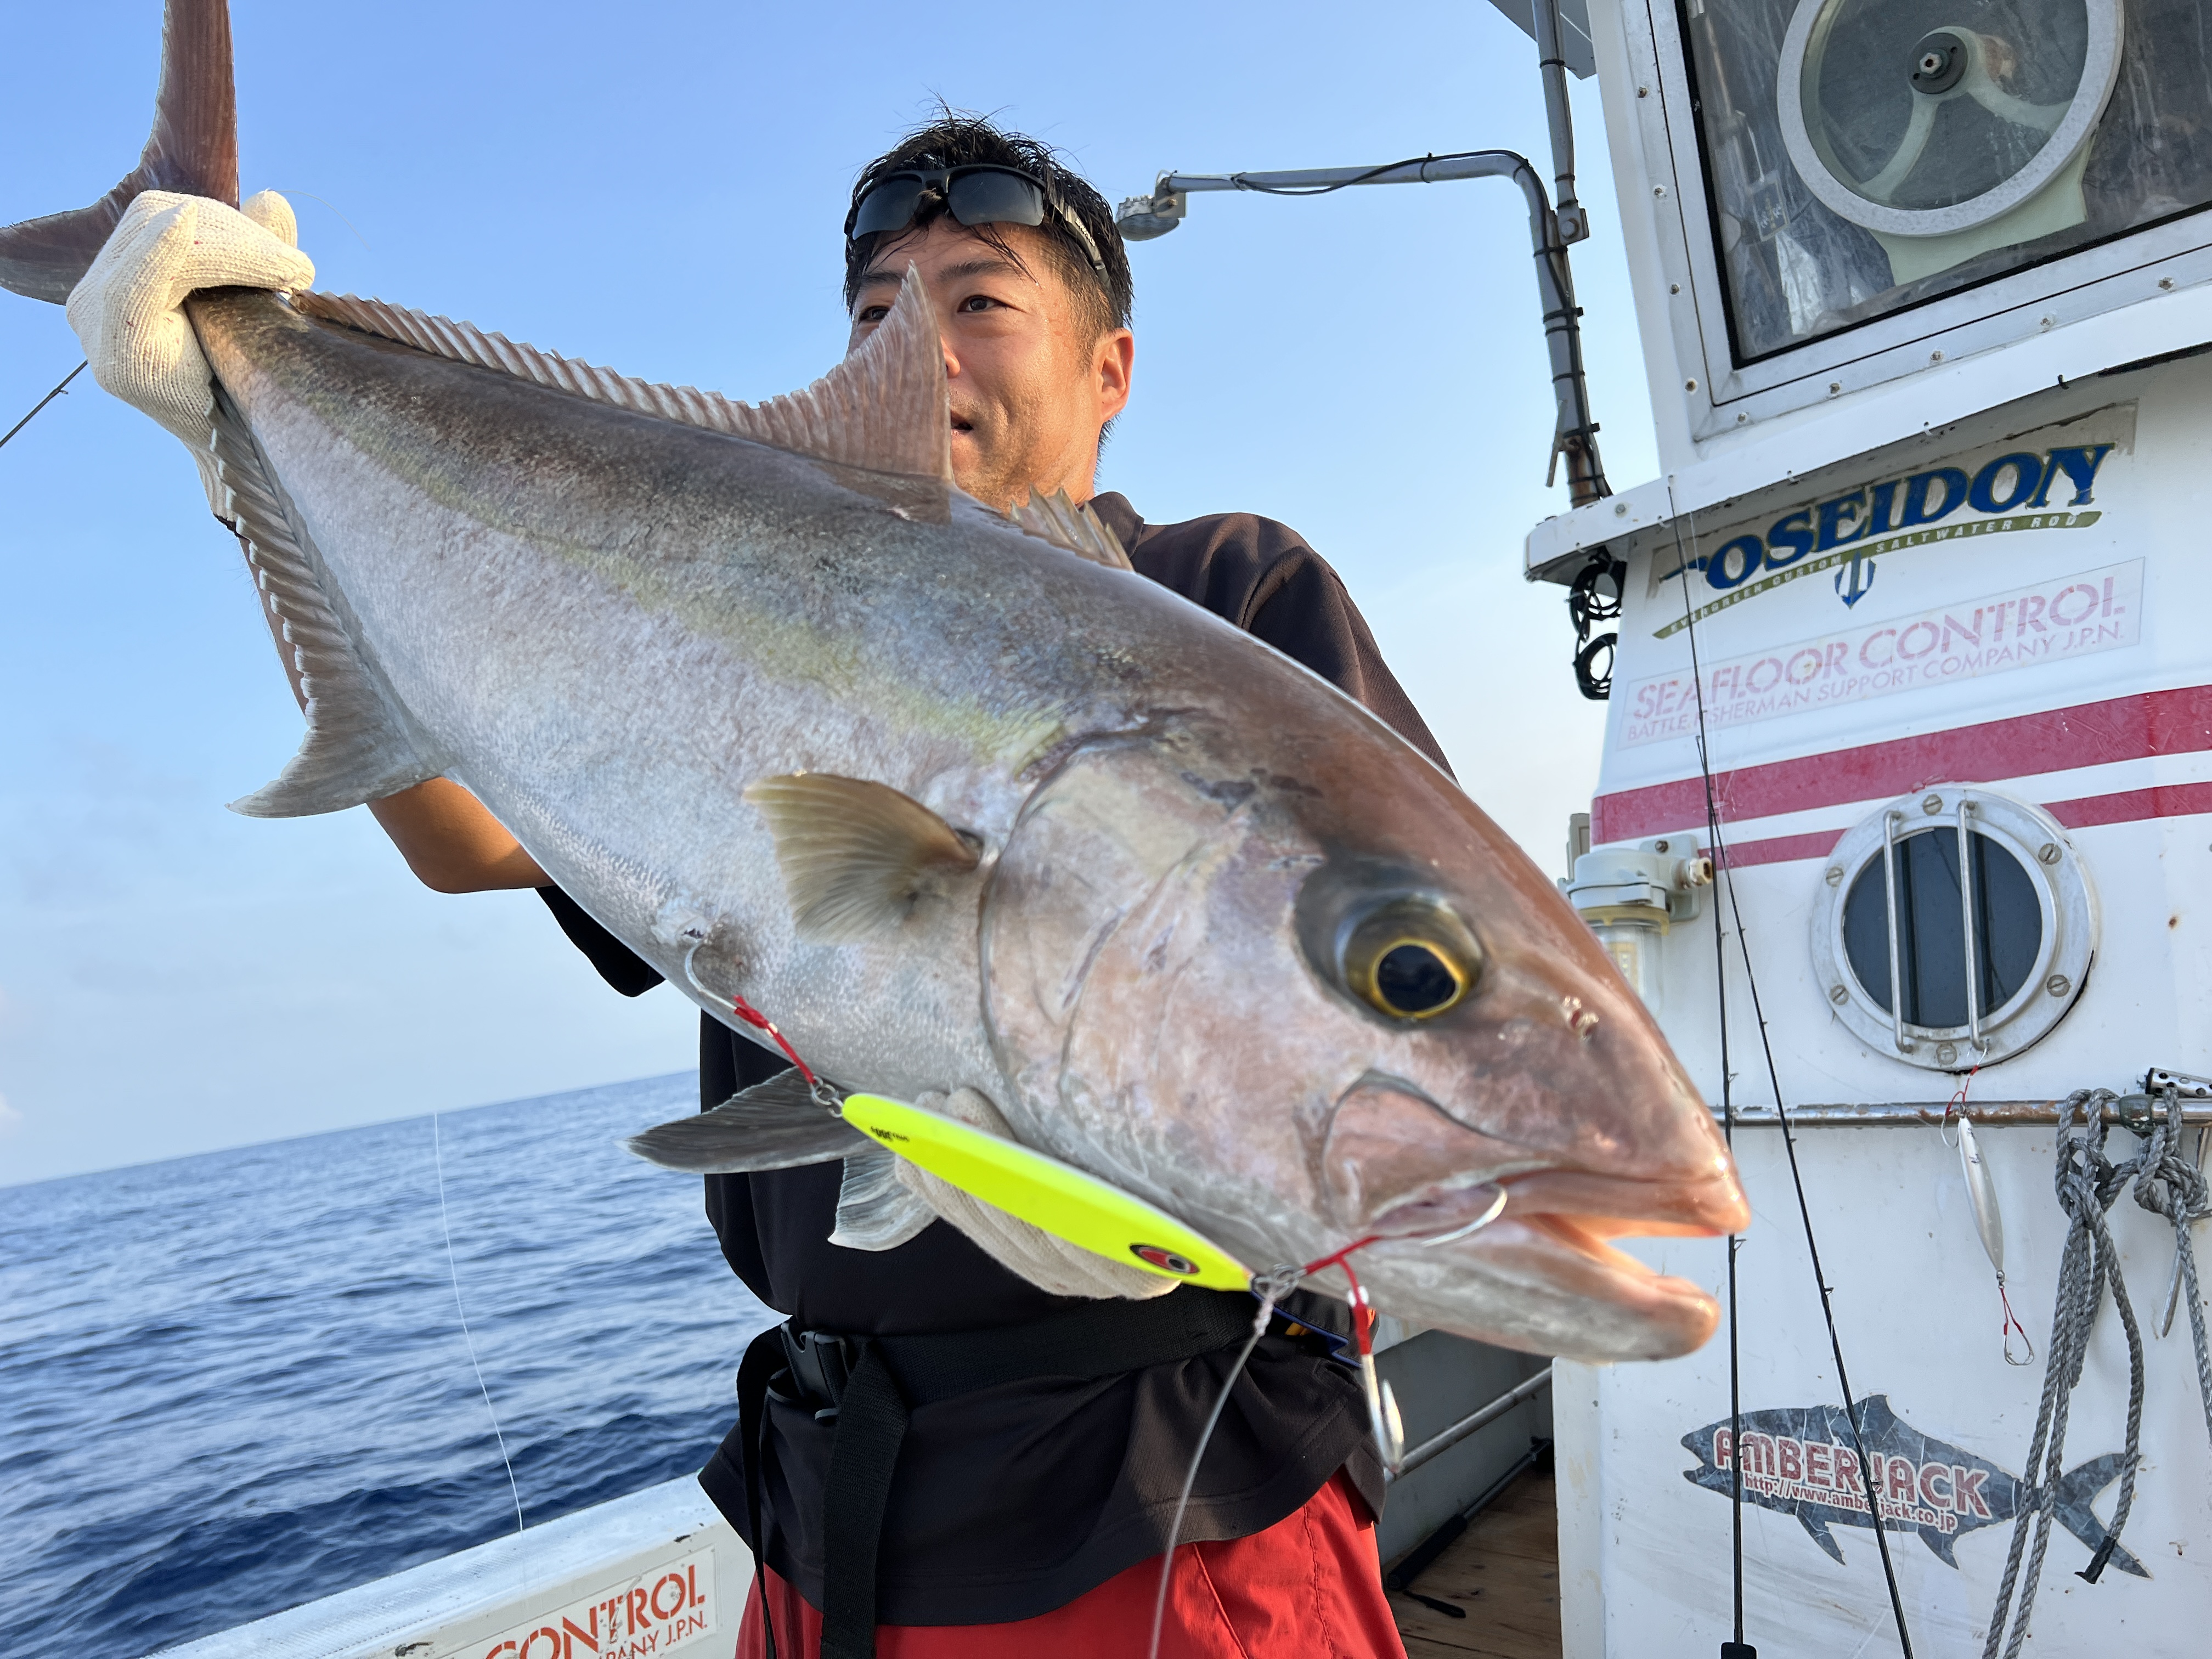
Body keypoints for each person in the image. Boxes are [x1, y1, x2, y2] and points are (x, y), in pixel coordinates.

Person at [71, 112, 1448, 1659]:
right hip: (826, 1503)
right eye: (875, 313)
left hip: (1154, 1493)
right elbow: (459, 834)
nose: (920, 348)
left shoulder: (1229, 596)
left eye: (980, 301)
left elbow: (1391, 1008)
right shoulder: (724, 638)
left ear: (1109, 373)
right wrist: (233, 445)